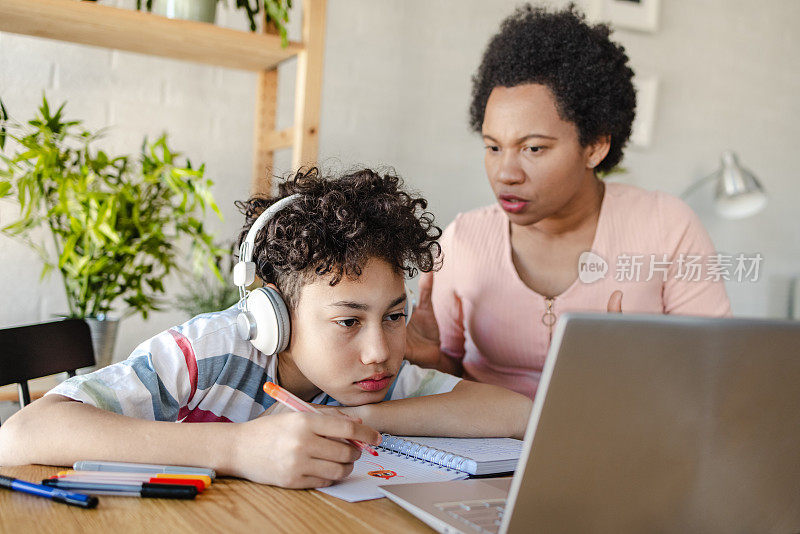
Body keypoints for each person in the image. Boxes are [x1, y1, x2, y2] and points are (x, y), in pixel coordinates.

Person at [0, 167, 532, 488]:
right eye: (348, 320)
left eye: (393, 316)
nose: (379, 351)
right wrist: (239, 449)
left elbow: (518, 413)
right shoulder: (211, 352)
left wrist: (359, 416)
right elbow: (22, 434)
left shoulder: (371, 377)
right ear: (271, 316)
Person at [405, 4, 731, 398]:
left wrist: (640, 367)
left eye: (534, 148)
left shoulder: (667, 227)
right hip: (492, 446)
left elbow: (715, 373)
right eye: (493, 147)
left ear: (594, 146)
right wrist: (428, 362)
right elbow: (449, 374)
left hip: (620, 439)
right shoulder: (464, 240)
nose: (505, 172)